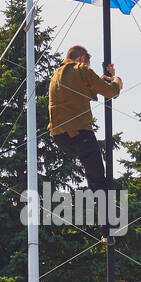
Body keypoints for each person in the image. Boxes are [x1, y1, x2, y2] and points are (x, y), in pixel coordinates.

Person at [47, 45, 122, 193]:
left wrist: (100, 79)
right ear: (81, 59)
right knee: (98, 179)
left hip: (59, 137)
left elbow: (84, 92)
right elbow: (111, 92)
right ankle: (104, 212)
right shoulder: (81, 69)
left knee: (92, 172)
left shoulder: (55, 75)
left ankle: (99, 207)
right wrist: (116, 80)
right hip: (79, 134)